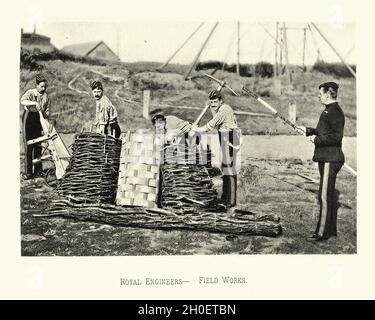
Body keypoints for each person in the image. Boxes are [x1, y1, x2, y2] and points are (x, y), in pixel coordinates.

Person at [297, 81, 345, 241]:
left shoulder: (335, 112)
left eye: (320, 94)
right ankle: (330, 231)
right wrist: (307, 130)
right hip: (327, 158)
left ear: (327, 94)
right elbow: (322, 131)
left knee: (324, 196)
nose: (318, 97)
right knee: (328, 196)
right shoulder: (328, 111)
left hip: (331, 159)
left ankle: (321, 233)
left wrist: (316, 139)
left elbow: (336, 137)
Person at [190, 90, 240, 208]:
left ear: (221, 101)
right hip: (226, 137)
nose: (213, 104)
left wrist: (196, 129)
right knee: (225, 169)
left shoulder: (224, 110)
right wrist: (212, 108)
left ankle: (231, 201)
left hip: (230, 138)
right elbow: (216, 121)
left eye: (215, 101)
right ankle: (225, 198)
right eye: (211, 102)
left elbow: (210, 126)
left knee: (229, 170)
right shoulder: (221, 109)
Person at [20, 73, 51, 180]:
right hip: (29, 118)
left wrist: (47, 120)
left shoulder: (46, 96)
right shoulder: (31, 93)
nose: (43, 88)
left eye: (45, 86)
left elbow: (47, 111)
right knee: (29, 145)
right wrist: (33, 103)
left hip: (39, 119)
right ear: (37, 85)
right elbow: (22, 100)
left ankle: (38, 171)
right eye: (41, 86)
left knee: (38, 144)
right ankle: (28, 172)